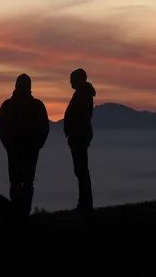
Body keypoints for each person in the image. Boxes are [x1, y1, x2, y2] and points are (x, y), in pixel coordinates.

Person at [0, 73, 50, 220]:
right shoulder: (37, 105)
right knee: (26, 182)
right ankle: (24, 213)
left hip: (16, 150)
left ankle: (17, 213)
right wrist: (39, 144)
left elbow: (1, 127)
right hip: (29, 150)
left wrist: (8, 145)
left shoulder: (8, 105)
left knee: (16, 182)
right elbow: (45, 127)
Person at [63, 68, 96, 213]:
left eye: (72, 79)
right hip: (78, 136)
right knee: (81, 170)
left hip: (79, 137)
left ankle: (85, 203)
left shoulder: (83, 95)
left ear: (80, 79)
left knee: (81, 170)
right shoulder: (82, 94)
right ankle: (84, 202)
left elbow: (80, 117)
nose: (70, 81)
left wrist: (73, 133)